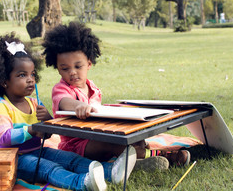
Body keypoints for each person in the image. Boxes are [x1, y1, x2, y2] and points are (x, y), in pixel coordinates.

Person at [0, 32, 137, 191]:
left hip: (38, 151)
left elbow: (46, 134)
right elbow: (4, 138)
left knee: (69, 158)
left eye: (32, 74)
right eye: (22, 75)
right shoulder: (1, 107)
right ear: (4, 81)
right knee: (50, 168)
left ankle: (110, 172)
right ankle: (81, 182)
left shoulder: (34, 103)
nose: (30, 79)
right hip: (15, 159)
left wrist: (47, 121)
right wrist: (32, 130)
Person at [42, 22, 190, 169]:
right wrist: (78, 106)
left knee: (132, 138)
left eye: (77, 66)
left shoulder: (92, 87)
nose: (72, 72)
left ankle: (135, 156)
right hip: (76, 146)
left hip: (98, 135)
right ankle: (160, 158)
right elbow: (64, 102)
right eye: (65, 68)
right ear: (58, 70)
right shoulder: (61, 89)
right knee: (111, 145)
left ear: (89, 64)